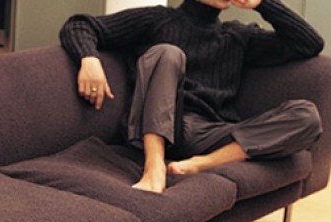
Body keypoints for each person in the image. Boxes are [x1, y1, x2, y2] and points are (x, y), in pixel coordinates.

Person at [60, 0, 324, 193]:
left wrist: (263, 4)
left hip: (208, 133)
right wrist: (89, 59)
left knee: (307, 116)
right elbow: (80, 25)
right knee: (167, 53)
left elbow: (309, 43)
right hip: (155, 123)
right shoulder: (156, 19)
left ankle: (201, 164)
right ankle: (154, 168)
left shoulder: (238, 36)